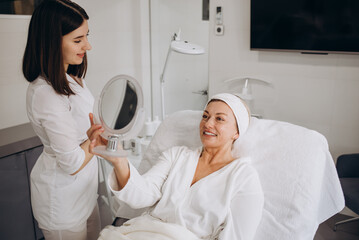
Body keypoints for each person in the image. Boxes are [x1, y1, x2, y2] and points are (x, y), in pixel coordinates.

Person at [89, 93, 264, 240]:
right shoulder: (177, 156)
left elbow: (237, 236)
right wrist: (120, 161)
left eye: (219, 119)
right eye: (205, 116)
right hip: (140, 233)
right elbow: (143, 194)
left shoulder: (243, 177)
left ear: (237, 132)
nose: (208, 123)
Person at [23, 0, 100, 239]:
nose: (87, 45)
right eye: (77, 40)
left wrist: (95, 137)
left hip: (85, 192)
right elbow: (72, 162)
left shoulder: (73, 78)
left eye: (86, 36)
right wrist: (95, 137)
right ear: (51, 41)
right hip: (62, 203)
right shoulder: (44, 93)